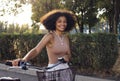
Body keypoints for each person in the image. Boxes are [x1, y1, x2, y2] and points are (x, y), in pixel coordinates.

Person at [11, 9, 76, 81]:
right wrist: (24, 59)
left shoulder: (66, 38)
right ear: (54, 23)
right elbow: (36, 50)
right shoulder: (50, 36)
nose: (62, 24)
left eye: (65, 22)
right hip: (53, 71)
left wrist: (66, 57)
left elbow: (69, 54)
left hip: (65, 71)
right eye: (59, 21)